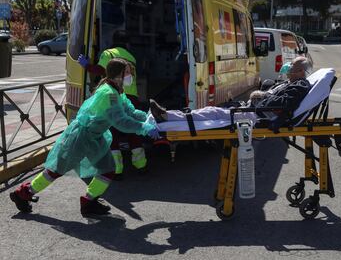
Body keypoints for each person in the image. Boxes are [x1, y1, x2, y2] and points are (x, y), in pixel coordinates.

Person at [10, 59, 158, 217]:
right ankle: (22, 194)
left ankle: (89, 202)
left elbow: (130, 111)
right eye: (127, 72)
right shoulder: (109, 93)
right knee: (55, 171)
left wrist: (148, 117)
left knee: (108, 170)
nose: (130, 76)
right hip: (80, 137)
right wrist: (143, 128)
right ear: (118, 75)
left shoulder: (117, 91)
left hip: (94, 137)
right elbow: (120, 121)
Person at [149, 57, 312, 131]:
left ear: (300, 71)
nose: (288, 69)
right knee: (211, 111)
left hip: (258, 116)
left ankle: (167, 117)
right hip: (254, 110)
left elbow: (284, 103)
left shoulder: (300, 85)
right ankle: (169, 115)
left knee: (212, 113)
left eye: (292, 67)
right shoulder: (292, 83)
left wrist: (262, 97)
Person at [78, 30, 147, 180]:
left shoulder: (108, 54)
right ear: (126, 43)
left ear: (112, 41)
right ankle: (141, 165)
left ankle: (117, 170)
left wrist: (87, 65)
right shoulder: (131, 57)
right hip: (131, 96)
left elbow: (100, 70)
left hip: (115, 96)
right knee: (132, 129)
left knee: (112, 133)